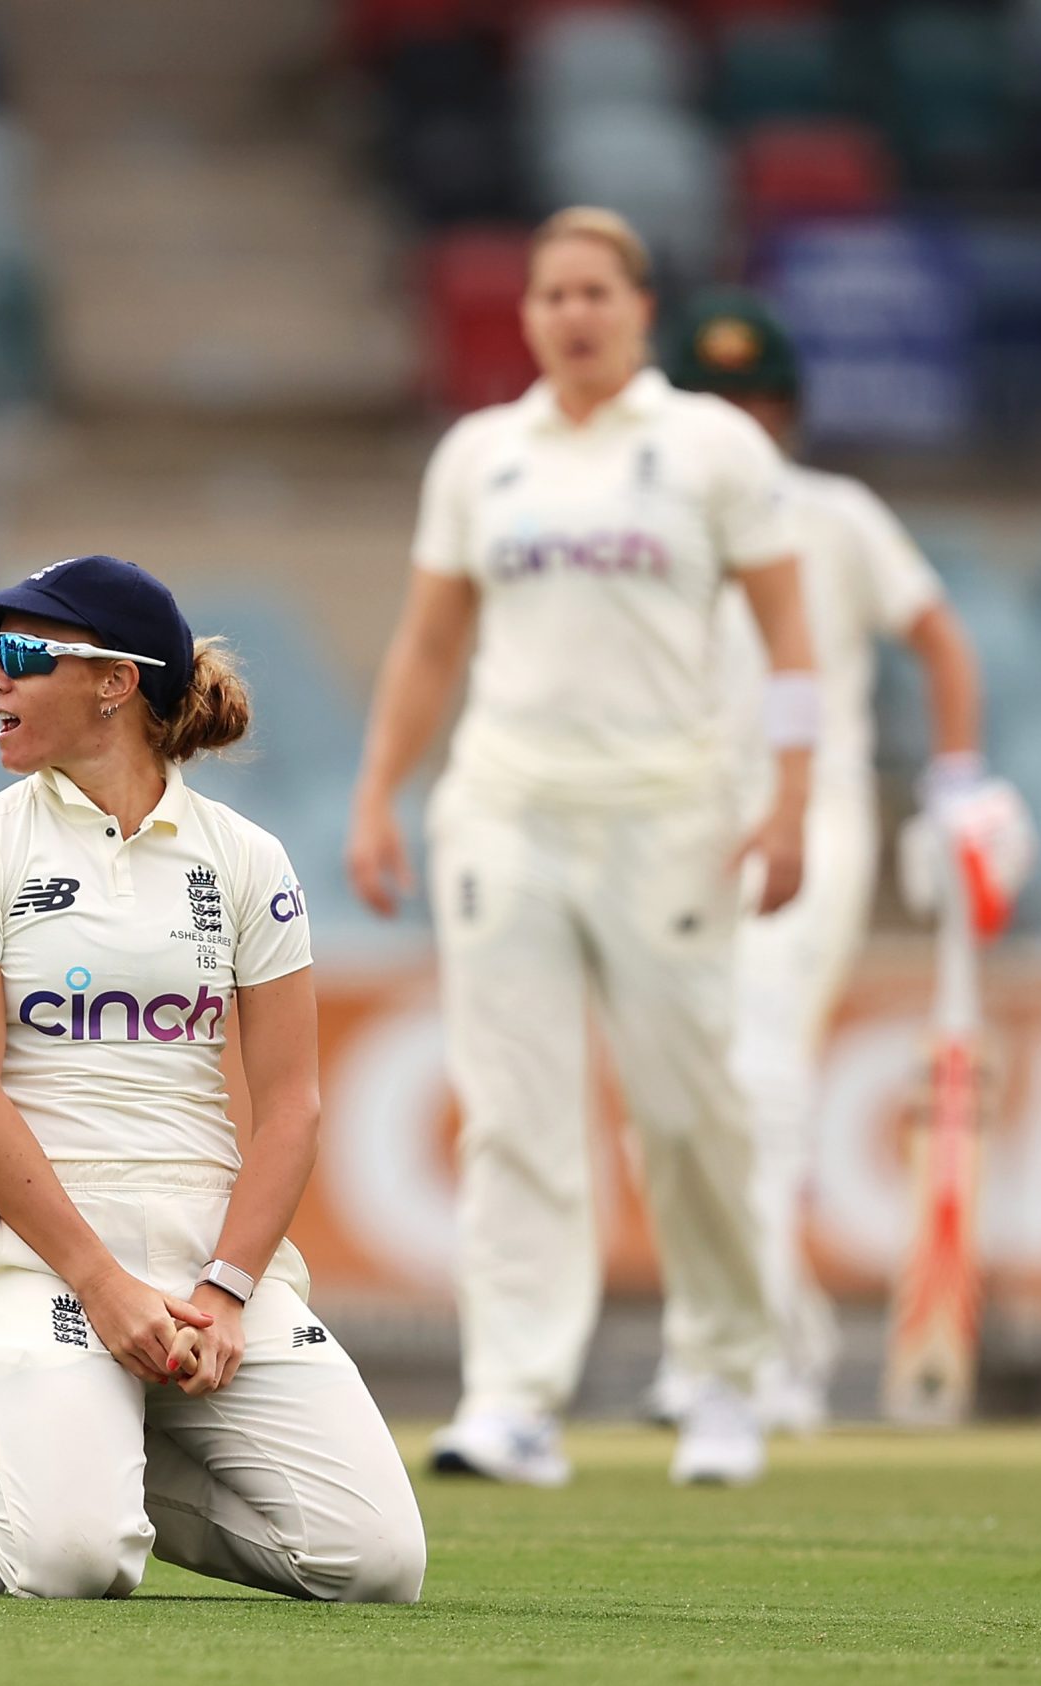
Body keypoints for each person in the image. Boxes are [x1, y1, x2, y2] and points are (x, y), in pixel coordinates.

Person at [345, 207, 817, 1489]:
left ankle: (720, 1372)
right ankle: (513, 1395)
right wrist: (379, 789)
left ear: (639, 307)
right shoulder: (482, 456)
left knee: (683, 1106)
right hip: (506, 807)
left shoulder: (709, 446)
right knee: (511, 1111)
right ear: (527, 315)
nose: (573, 314)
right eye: (550, 294)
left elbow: (788, 639)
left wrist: (789, 801)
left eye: (595, 291)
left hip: (669, 814)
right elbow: (430, 642)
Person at [0, 553, 426, 1602]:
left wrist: (225, 1292)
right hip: (47, 1262)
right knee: (74, 1563)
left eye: (18, 654)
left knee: (375, 1565)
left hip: (213, 1267)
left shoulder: (244, 858)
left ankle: (83, 1443)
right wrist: (101, 1287)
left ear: (113, 682)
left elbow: (291, 1104)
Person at [646, 287, 1020, 1433]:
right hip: (676, 823)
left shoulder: (834, 514)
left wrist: (956, 778)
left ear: (786, 414)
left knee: (760, 1073)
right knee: (673, 1093)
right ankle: (759, 1339)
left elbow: (939, 640)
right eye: (712, 403)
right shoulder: (645, 525)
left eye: (753, 404)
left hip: (815, 818)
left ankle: (742, 1360)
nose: (734, 425)